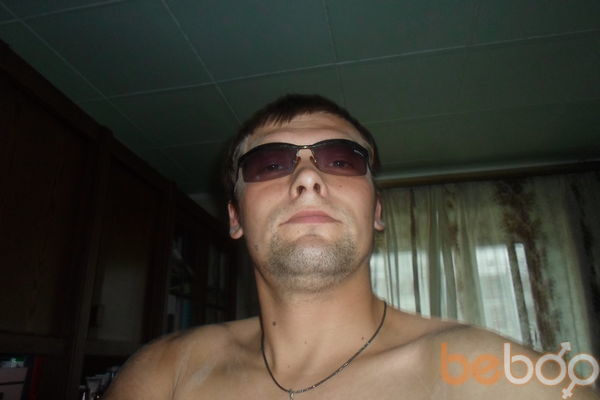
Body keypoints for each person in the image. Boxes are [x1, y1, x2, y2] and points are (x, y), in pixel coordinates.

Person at [105, 94, 599, 399]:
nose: (307, 180)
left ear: (376, 211)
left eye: (340, 160)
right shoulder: (164, 374)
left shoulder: (504, 381)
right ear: (234, 218)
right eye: (270, 165)